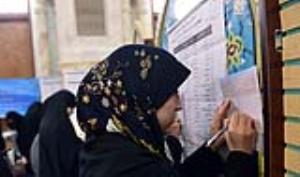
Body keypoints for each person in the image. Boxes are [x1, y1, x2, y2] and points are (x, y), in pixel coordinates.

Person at [76, 44, 258, 177]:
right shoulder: (125, 166)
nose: (179, 105)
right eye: (171, 93)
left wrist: (212, 146)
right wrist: (241, 156)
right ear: (142, 99)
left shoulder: (111, 152)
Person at [39, 90, 83, 177]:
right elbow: (70, 153)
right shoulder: (61, 124)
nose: (71, 112)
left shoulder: (46, 122)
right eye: (71, 107)